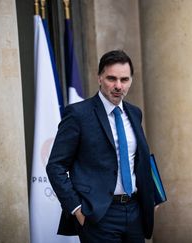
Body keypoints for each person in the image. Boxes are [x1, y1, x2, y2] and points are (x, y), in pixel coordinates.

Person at [47, 50, 155, 242]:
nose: (118, 86)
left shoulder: (135, 113)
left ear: (131, 80)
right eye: (111, 78)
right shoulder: (78, 114)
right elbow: (56, 166)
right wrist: (77, 209)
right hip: (98, 215)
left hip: (134, 211)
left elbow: (139, 158)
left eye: (124, 79)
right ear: (99, 78)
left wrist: (154, 194)